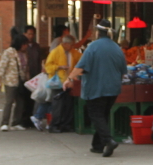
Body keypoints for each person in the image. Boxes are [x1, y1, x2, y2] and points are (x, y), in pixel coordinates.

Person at [63, 19, 127, 157]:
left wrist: (69, 79)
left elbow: (81, 66)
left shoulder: (93, 47)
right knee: (103, 115)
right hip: (113, 88)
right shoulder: (117, 48)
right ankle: (97, 145)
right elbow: (123, 70)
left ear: (97, 32)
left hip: (96, 88)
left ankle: (108, 140)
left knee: (96, 115)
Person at [33, 35, 81, 131]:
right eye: (70, 45)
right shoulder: (55, 52)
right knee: (58, 105)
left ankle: (65, 125)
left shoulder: (73, 53)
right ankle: (55, 125)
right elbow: (48, 66)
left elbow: (81, 60)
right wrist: (59, 67)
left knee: (68, 104)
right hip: (58, 82)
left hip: (68, 81)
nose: (72, 46)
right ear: (65, 44)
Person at [0, 33, 29, 131]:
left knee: (20, 101)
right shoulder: (9, 52)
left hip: (21, 80)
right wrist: (0, 80)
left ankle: (16, 122)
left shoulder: (24, 54)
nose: (26, 46)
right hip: (10, 80)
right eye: (24, 44)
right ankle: (4, 122)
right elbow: (2, 66)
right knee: (9, 101)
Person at [20, 25, 44, 127]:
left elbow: (40, 60)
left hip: (36, 75)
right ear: (24, 34)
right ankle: (23, 120)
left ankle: (31, 118)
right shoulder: (21, 47)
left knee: (33, 99)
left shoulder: (36, 46)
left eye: (32, 34)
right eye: (28, 33)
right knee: (24, 99)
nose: (30, 36)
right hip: (26, 76)